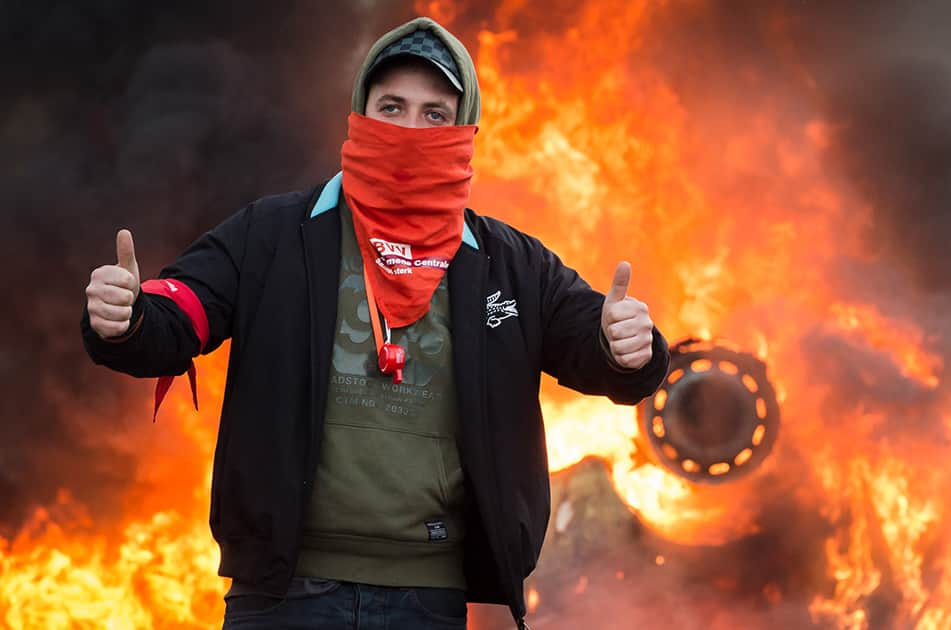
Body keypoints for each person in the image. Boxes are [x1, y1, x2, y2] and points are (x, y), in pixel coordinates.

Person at [82, 16, 669, 630]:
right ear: (359, 116)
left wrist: (629, 347)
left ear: (464, 129)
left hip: (426, 600)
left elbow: (598, 346)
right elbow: (178, 316)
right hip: (281, 595)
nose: (409, 129)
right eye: (391, 107)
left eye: (433, 114)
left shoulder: (509, 265)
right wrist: (126, 317)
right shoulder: (274, 234)